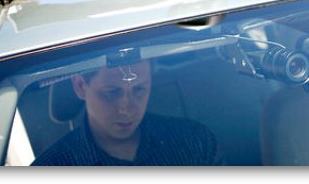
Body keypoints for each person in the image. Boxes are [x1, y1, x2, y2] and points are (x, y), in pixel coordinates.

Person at [32, 59, 220, 166]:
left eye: (139, 90)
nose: (127, 109)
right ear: (80, 86)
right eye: (111, 93)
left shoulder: (195, 142)